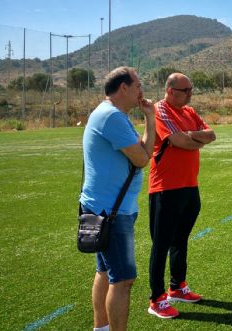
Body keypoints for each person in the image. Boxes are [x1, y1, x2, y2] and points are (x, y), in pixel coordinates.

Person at [81, 67, 156, 331]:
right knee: (123, 280)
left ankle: (100, 328)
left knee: (104, 272)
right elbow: (142, 158)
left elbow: (145, 151)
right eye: (138, 85)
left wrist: (150, 117)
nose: (141, 91)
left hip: (107, 207)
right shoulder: (112, 116)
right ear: (123, 88)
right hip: (111, 211)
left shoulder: (115, 115)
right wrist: (148, 125)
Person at [147, 73, 216, 319]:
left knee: (181, 240)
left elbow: (211, 135)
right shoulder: (159, 110)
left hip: (189, 186)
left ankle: (177, 286)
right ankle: (156, 299)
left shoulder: (189, 111)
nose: (190, 93)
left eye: (191, 89)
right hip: (165, 188)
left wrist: (191, 138)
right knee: (161, 244)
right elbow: (177, 140)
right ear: (170, 90)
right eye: (186, 90)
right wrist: (194, 138)